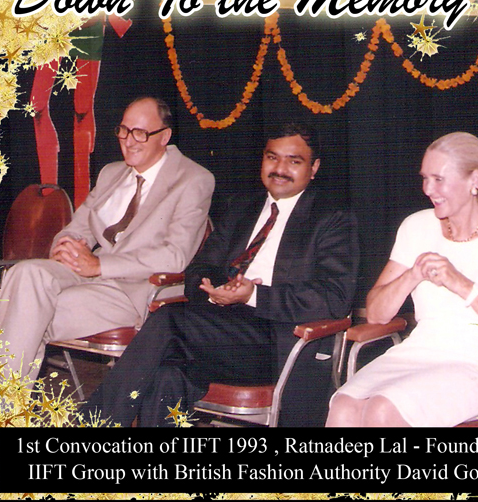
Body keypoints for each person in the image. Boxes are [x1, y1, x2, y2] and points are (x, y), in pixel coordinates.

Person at [81, 122, 359, 427]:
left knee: (170, 319)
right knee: (167, 375)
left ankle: (94, 425)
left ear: (314, 168)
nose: (280, 169)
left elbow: (335, 297)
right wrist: (217, 290)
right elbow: (198, 269)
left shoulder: (332, 219)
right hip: (218, 330)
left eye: (294, 161)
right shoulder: (242, 207)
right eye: (272, 157)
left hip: (277, 341)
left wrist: (253, 295)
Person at [326, 132, 478, 427]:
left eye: (439, 179)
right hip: (417, 353)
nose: (428, 189)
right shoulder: (416, 226)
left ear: (474, 180)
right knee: (344, 406)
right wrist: (412, 275)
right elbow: (376, 314)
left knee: (383, 409)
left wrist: (462, 284)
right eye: (425, 178)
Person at [0, 97, 215, 382]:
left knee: (23, 314)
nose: (129, 141)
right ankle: (1, 401)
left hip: (133, 290)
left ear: (165, 137)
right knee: (23, 274)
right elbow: (77, 228)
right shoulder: (111, 173)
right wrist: (66, 246)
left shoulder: (193, 179)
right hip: (86, 274)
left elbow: (175, 256)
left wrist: (99, 266)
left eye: (140, 133)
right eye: (124, 130)